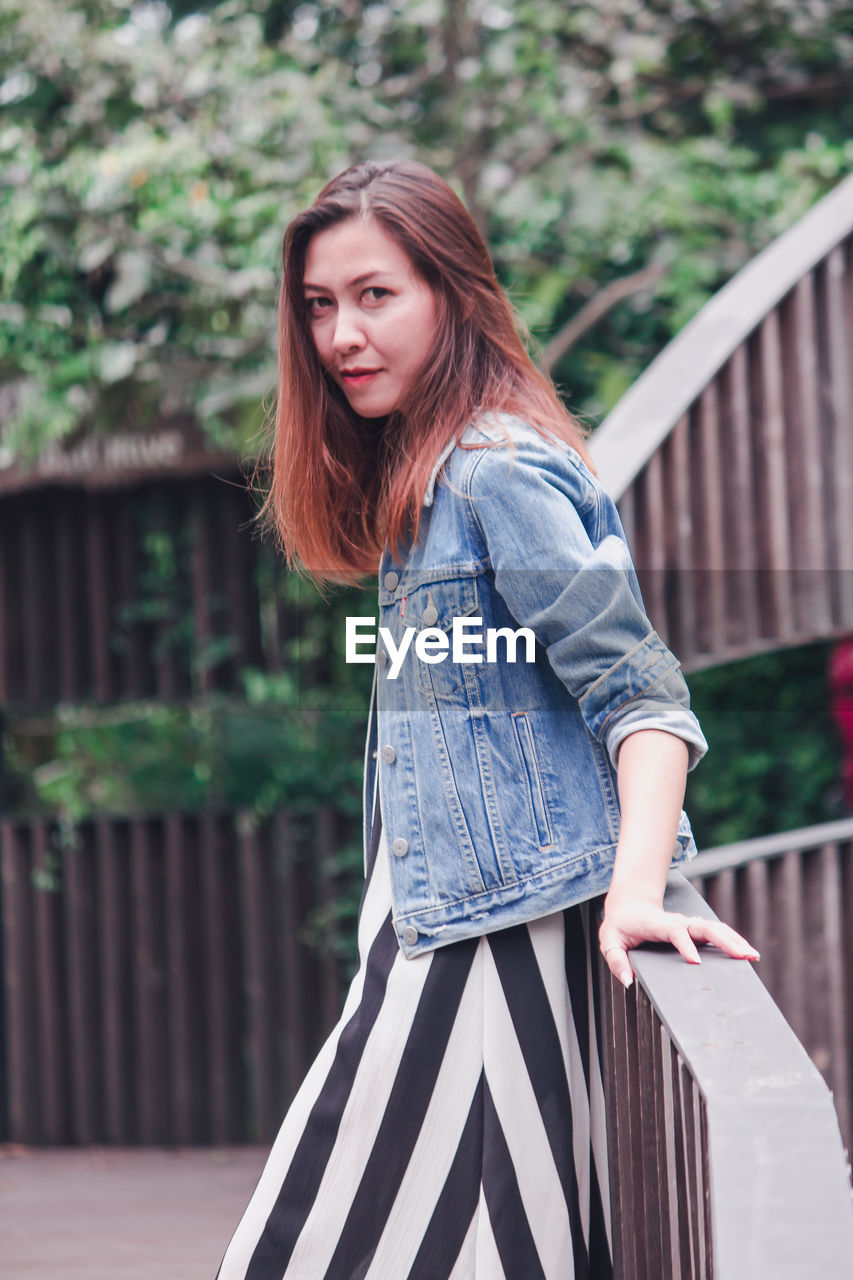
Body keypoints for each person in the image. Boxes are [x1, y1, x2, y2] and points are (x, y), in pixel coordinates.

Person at [217, 159, 759, 1280]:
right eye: (320, 305)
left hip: (483, 960)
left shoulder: (491, 469)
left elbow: (644, 697)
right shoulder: (430, 474)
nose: (340, 335)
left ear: (451, 292)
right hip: (438, 934)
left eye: (375, 295)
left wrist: (633, 892)